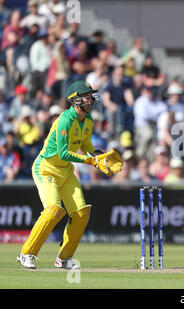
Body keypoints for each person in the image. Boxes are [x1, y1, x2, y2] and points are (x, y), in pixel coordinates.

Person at [16, 80, 123, 270]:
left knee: (82, 213)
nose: (91, 99)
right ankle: (26, 253)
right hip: (46, 168)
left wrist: (100, 158)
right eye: (87, 96)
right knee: (53, 210)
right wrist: (89, 161)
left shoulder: (88, 120)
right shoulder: (65, 119)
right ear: (75, 100)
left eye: (91, 96)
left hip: (65, 171)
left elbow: (86, 147)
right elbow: (64, 153)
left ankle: (64, 258)